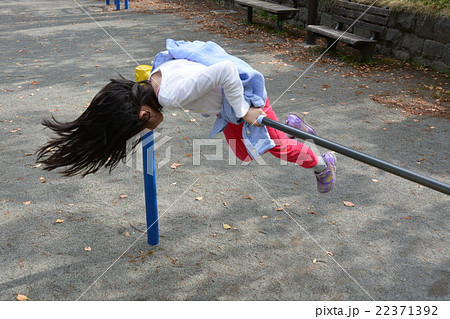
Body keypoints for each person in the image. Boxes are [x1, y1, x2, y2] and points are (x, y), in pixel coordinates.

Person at [37, 40, 336, 193]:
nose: (146, 129)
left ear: (143, 113)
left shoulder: (169, 94)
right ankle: (291, 126)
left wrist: (246, 112)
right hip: (229, 108)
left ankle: (323, 165)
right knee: (243, 154)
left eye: (139, 128)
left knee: (271, 148)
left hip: (244, 101)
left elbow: (226, 71)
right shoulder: (153, 78)